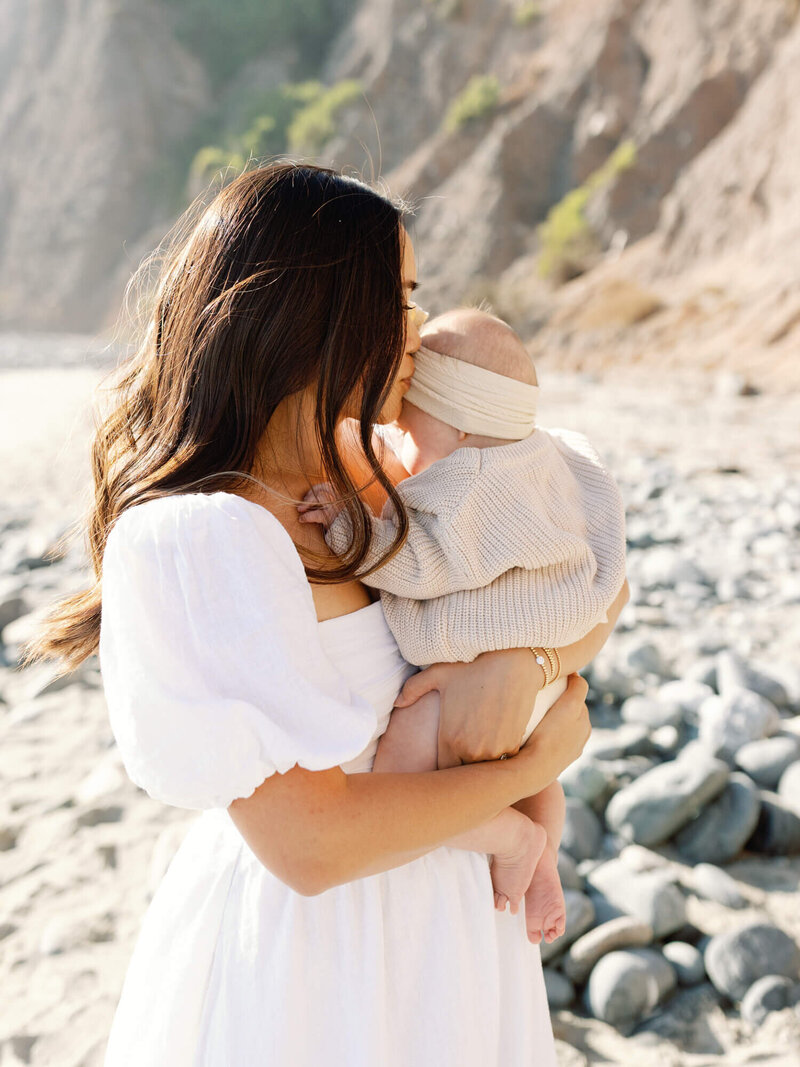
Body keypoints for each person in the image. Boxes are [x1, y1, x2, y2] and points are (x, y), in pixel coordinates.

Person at [23, 162, 625, 1067]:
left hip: (450, 931)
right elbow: (310, 844)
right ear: (316, 313)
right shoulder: (207, 535)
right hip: (317, 958)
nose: (419, 335)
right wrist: (533, 768)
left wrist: (526, 668)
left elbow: (586, 589)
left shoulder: (367, 495)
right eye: (402, 298)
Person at [298, 306, 628, 945]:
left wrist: (345, 525)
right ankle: (543, 864)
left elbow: (416, 563)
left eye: (410, 430)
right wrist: (543, 665)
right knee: (542, 779)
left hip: (470, 689)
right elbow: (612, 572)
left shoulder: (467, 486)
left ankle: (512, 841)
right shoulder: (542, 461)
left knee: (397, 781)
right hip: (543, 684)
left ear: (455, 428)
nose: (397, 442)